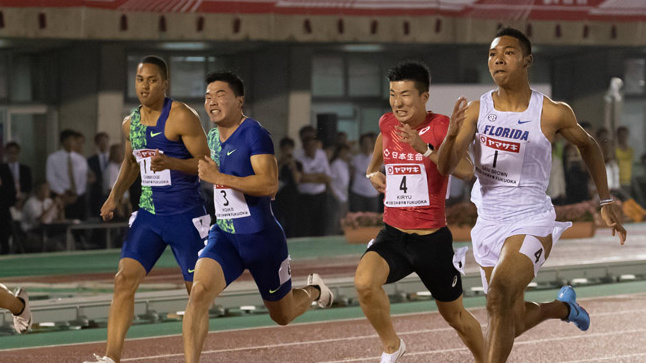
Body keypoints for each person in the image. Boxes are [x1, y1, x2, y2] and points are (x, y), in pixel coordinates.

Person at [436, 27, 627, 363]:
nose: (497, 59)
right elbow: (447, 166)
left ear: (527, 60)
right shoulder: (477, 111)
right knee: (509, 315)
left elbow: (589, 146)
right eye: (492, 54)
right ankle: (564, 307)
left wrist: (606, 200)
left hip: (530, 220)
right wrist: (451, 138)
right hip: (489, 223)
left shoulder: (551, 112)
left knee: (498, 297)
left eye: (507, 52)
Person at [183, 71, 334, 363]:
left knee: (283, 314)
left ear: (240, 101)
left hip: (262, 240)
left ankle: (315, 290)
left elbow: (269, 184)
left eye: (220, 95)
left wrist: (220, 177)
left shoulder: (255, 134)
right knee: (198, 294)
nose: (212, 101)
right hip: (225, 236)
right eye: (207, 96)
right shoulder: (212, 136)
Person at [355, 60, 484, 363]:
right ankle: (392, 346)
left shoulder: (440, 127)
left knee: (456, 318)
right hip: (394, 237)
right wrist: (371, 171)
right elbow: (382, 140)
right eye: (392, 94)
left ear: (424, 97)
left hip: (431, 241)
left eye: (405, 95)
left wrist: (424, 148)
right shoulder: (387, 122)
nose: (397, 103)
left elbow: (466, 171)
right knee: (364, 283)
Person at [84, 55, 210, 363]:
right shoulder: (131, 123)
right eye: (140, 80)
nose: (145, 86)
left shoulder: (181, 116)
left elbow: (207, 165)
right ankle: (111, 358)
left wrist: (173, 163)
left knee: (197, 294)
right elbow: (130, 162)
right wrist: (114, 195)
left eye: (152, 80)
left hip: (186, 216)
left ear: (165, 83)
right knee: (123, 280)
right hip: (150, 215)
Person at [46, 129, 88, 222]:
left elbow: (83, 179)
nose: (70, 143)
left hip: (78, 197)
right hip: (61, 196)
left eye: (73, 140)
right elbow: (51, 178)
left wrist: (77, 193)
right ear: (63, 141)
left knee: (79, 223)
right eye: (68, 140)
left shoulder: (80, 159)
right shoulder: (53, 158)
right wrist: (63, 193)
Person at [350, 133, 381, 213]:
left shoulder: (377, 158)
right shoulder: (355, 159)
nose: (367, 145)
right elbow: (351, 175)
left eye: (369, 143)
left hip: (373, 193)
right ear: (361, 145)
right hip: (358, 193)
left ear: (372, 144)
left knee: (372, 219)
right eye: (364, 143)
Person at [4, 141, 32, 211]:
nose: (12, 155)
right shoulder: (2, 169)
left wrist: (22, 199)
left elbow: (29, 186)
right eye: (10, 153)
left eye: (15, 153)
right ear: (6, 153)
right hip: (6, 202)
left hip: (23, 201)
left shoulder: (25, 169)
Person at [88, 132, 111, 218]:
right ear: (97, 143)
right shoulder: (91, 160)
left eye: (106, 141)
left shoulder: (114, 159)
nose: (104, 144)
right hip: (97, 194)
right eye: (101, 142)